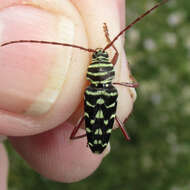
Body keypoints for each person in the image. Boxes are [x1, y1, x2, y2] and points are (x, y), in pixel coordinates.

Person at [0, 0, 136, 188]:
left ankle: (93, 139)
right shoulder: (106, 88)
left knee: (77, 129)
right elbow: (124, 70)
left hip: (94, 115)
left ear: (92, 72)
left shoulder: (86, 89)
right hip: (100, 120)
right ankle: (94, 139)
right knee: (119, 121)